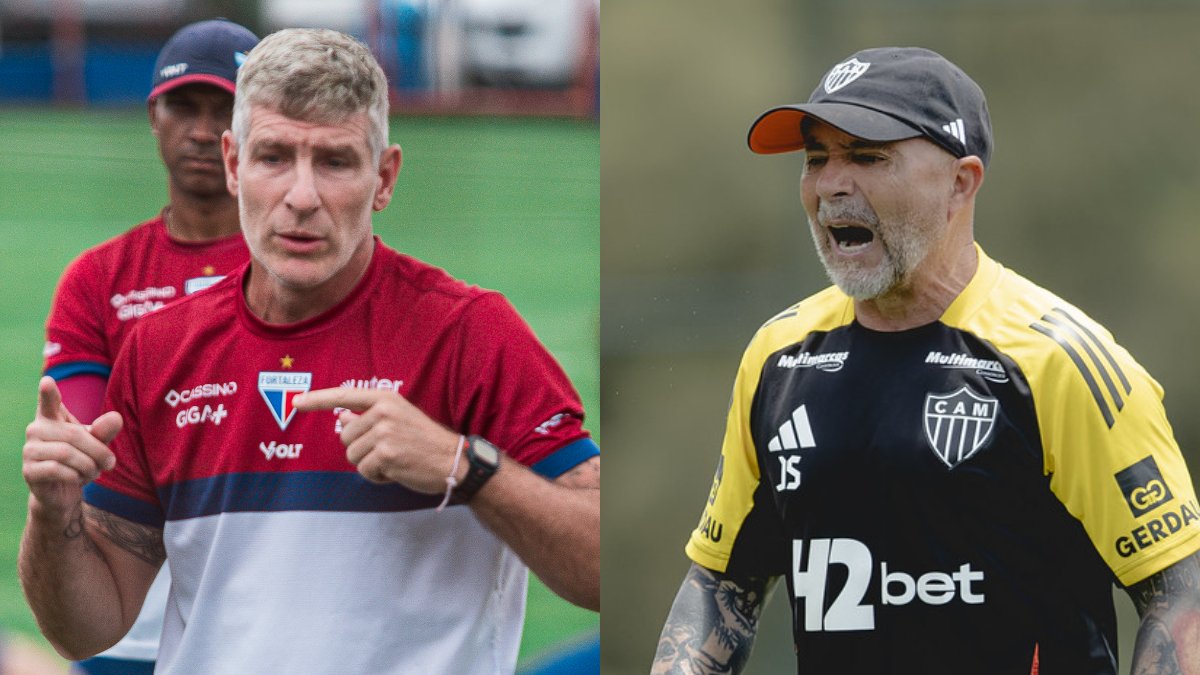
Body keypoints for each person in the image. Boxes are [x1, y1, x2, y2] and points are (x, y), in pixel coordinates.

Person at [20, 27, 599, 673]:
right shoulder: (160, 347)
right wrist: (53, 511)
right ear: (235, 165)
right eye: (274, 157)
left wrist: (465, 464)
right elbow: (88, 630)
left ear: (384, 177)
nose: (302, 196)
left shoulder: (471, 333)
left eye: (335, 161)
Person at [650, 47, 1200, 674]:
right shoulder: (778, 358)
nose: (832, 184)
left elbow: (1179, 592)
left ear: (961, 182)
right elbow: (723, 584)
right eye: (816, 159)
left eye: (867, 157)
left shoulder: (1059, 361)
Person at [38, 18, 259, 674]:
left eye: (224, 109)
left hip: (261, 612)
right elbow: (91, 445)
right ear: (152, 116)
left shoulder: (301, 269)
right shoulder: (99, 276)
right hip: (128, 622)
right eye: (183, 106)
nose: (200, 129)